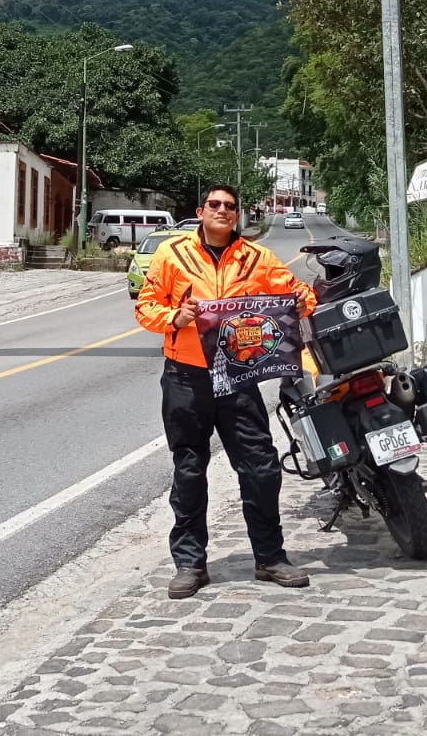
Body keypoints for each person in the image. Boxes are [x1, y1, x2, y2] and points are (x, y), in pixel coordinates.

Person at [135, 183, 317, 598]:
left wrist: (308, 296)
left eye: (229, 206)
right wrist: (175, 317)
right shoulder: (172, 254)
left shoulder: (258, 258)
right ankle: (190, 564)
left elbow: (296, 296)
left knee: (261, 468)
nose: (221, 210)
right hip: (186, 377)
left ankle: (270, 558)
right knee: (189, 470)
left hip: (238, 377)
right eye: (214, 205)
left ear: (237, 215)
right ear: (200, 211)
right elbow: (146, 306)